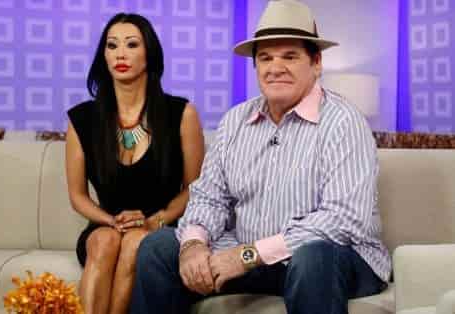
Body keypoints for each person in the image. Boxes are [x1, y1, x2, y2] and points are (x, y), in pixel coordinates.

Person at [129, 1, 391, 314]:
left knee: (313, 256)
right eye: (265, 58)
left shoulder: (343, 122)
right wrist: (193, 244)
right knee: (158, 248)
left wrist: (247, 256)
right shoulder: (236, 120)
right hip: (253, 257)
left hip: (335, 258)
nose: (275, 67)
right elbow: (209, 197)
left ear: (316, 62)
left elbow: (343, 220)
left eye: (290, 56)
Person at [65, 13, 204, 314]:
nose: (121, 54)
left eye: (131, 44)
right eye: (112, 46)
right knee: (104, 242)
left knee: (136, 243)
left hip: (160, 227)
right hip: (105, 225)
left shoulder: (181, 113)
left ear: (149, 54)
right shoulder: (82, 119)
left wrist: (157, 219)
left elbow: (196, 188)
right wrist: (110, 220)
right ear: (103, 56)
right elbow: (77, 196)